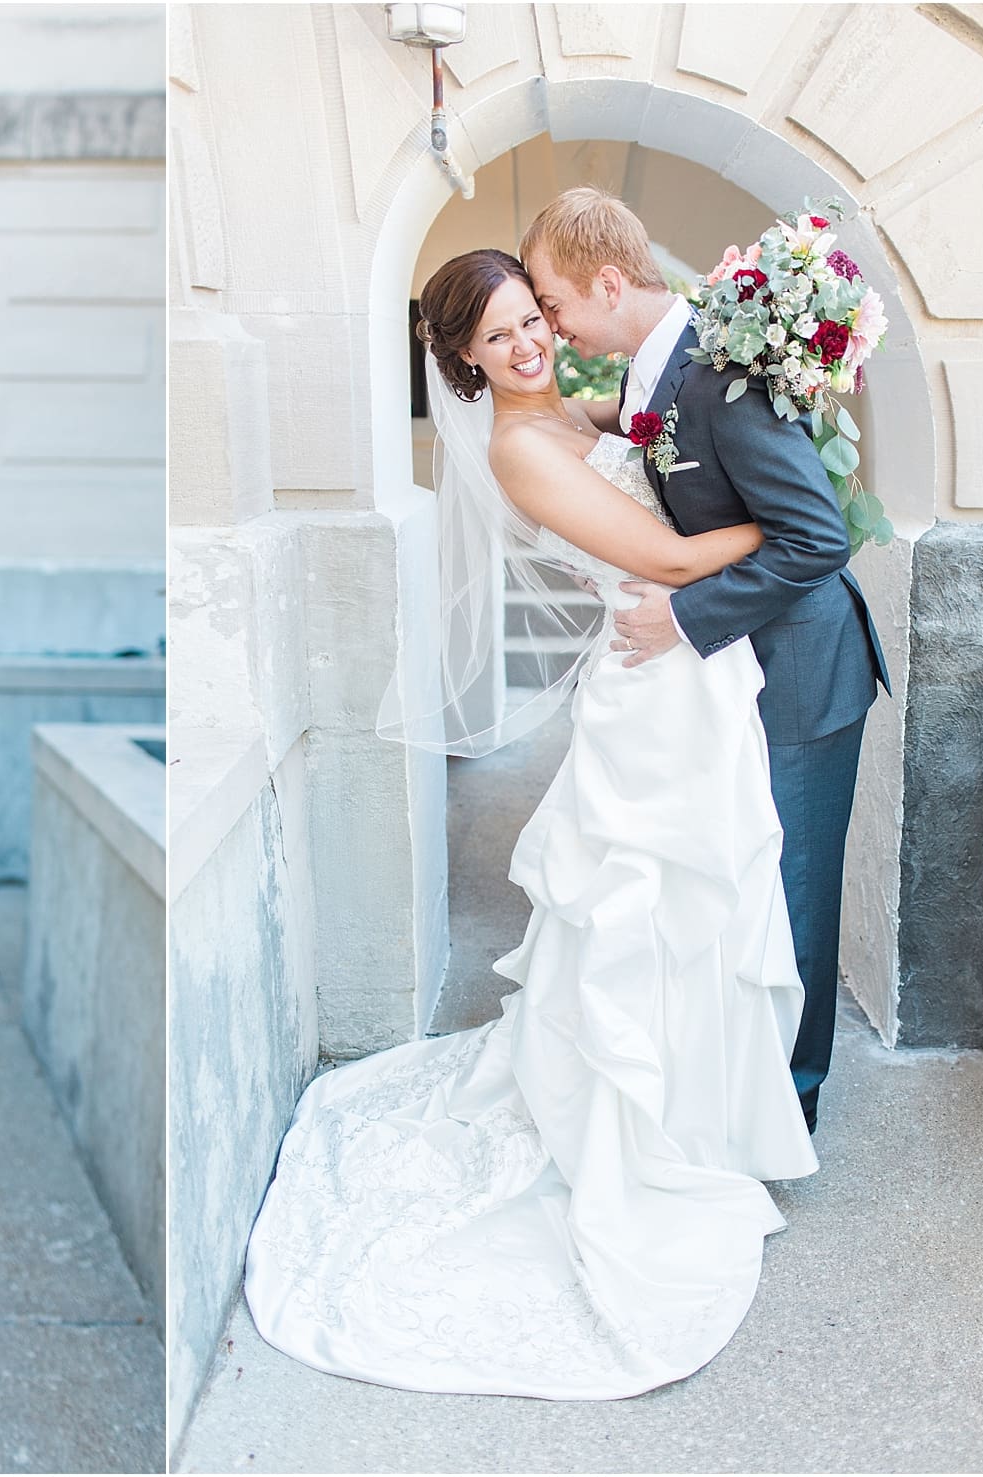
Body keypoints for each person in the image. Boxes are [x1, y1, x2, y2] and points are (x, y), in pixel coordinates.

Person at [244, 247, 824, 1399]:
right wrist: (804, 524)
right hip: (654, 677)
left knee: (702, 898)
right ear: (461, 357)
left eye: (531, 320)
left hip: (688, 672)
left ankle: (699, 1113)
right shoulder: (519, 447)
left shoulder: (577, 409)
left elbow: (662, 410)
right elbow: (661, 554)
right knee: (640, 904)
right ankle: (640, 1123)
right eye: (500, 336)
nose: (527, 345)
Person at [521, 187, 890, 1131]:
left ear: (608, 282)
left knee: (794, 894)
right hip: (739, 675)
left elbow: (813, 537)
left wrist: (684, 618)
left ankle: (790, 1112)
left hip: (802, 670)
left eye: (554, 304)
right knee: (745, 887)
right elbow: (663, 448)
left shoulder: (718, 369)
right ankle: (741, 1093)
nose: (551, 324)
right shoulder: (659, 372)